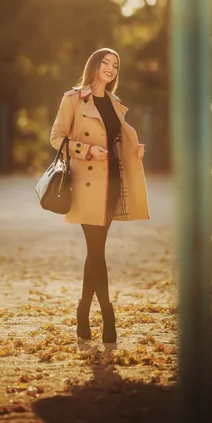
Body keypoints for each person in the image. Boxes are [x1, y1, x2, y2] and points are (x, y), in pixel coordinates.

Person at [50, 48, 149, 345]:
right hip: (85, 184)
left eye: (115, 64)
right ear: (93, 65)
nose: (110, 67)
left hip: (112, 182)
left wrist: (134, 150)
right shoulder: (73, 99)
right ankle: (107, 314)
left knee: (96, 250)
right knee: (96, 250)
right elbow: (56, 138)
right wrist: (87, 150)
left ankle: (83, 312)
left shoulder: (116, 103)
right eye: (105, 62)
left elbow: (116, 141)